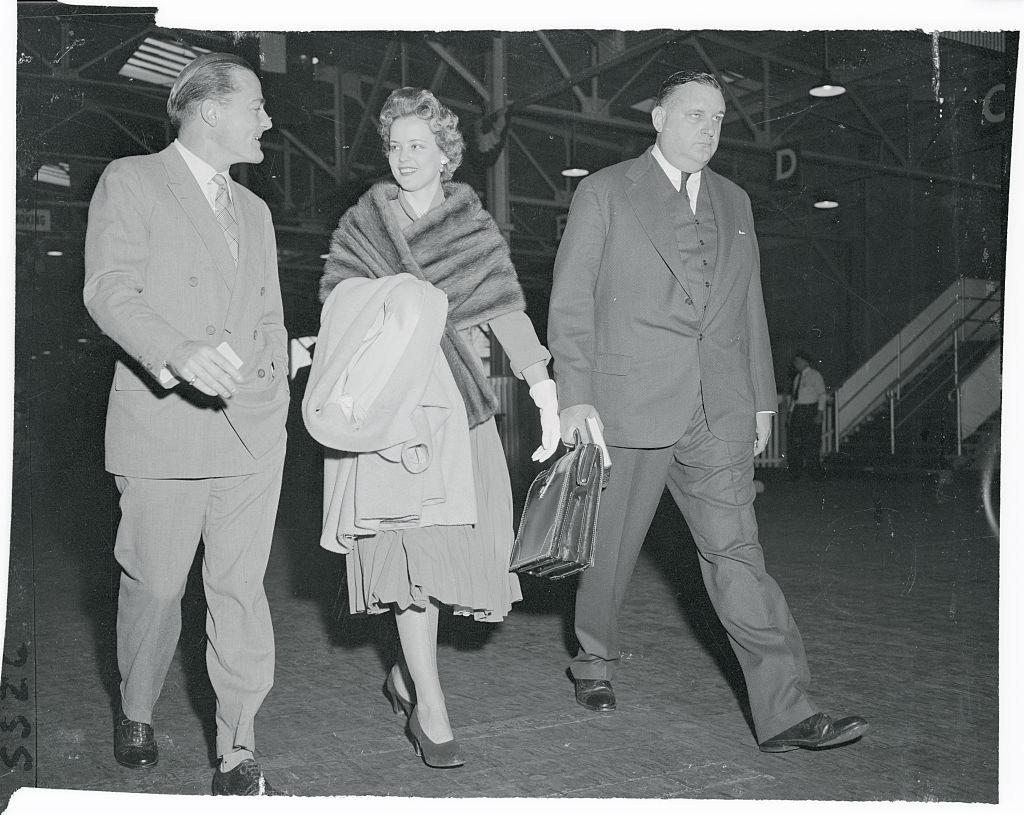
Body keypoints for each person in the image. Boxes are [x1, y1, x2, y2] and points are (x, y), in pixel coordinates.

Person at [547, 70, 868, 752]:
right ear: (659, 116)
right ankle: (594, 660)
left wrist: (758, 398)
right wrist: (573, 394)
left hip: (716, 408)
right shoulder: (605, 190)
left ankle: (786, 706)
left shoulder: (735, 200)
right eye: (696, 113)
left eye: (719, 118)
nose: (710, 127)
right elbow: (572, 298)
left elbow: (746, 303)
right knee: (609, 551)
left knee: (738, 558)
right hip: (627, 402)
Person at [308, 87, 560, 768]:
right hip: (391, 415)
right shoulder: (366, 221)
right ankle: (432, 703)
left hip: (458, 407)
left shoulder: (471, 224)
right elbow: (337, 305)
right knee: (409, 563)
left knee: (445, 561)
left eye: (418, 144)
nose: (404, 156)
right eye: (395, 145)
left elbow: (506, 306)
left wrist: (541, 382)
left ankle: (406, 676)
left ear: (448, 154)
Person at [83, 53, 289, 794]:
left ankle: (238, 748)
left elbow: (267, 315)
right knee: (159, 585)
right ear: (208, 110)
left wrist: (279, 380)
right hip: (165, 423)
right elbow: (108, 289)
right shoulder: (132, 181)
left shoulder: (257, 212)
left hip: (250, 433)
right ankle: (136, 706)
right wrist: (176, 352)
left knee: (239, 589)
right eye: (256, 105)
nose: (267, 119)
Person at [787, 350, 827, 480]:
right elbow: (795, 398)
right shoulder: (797, 378)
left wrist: (820, 412)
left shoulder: (815, 375)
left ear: (805, 362)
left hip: (810, 410)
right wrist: (790, 415)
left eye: (798, 361)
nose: (796, 364)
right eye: (795, 362)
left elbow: (822, 394)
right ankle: (796, 473)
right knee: (796, 443)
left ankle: (815, 473)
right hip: (798, 411)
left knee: (812, 442)